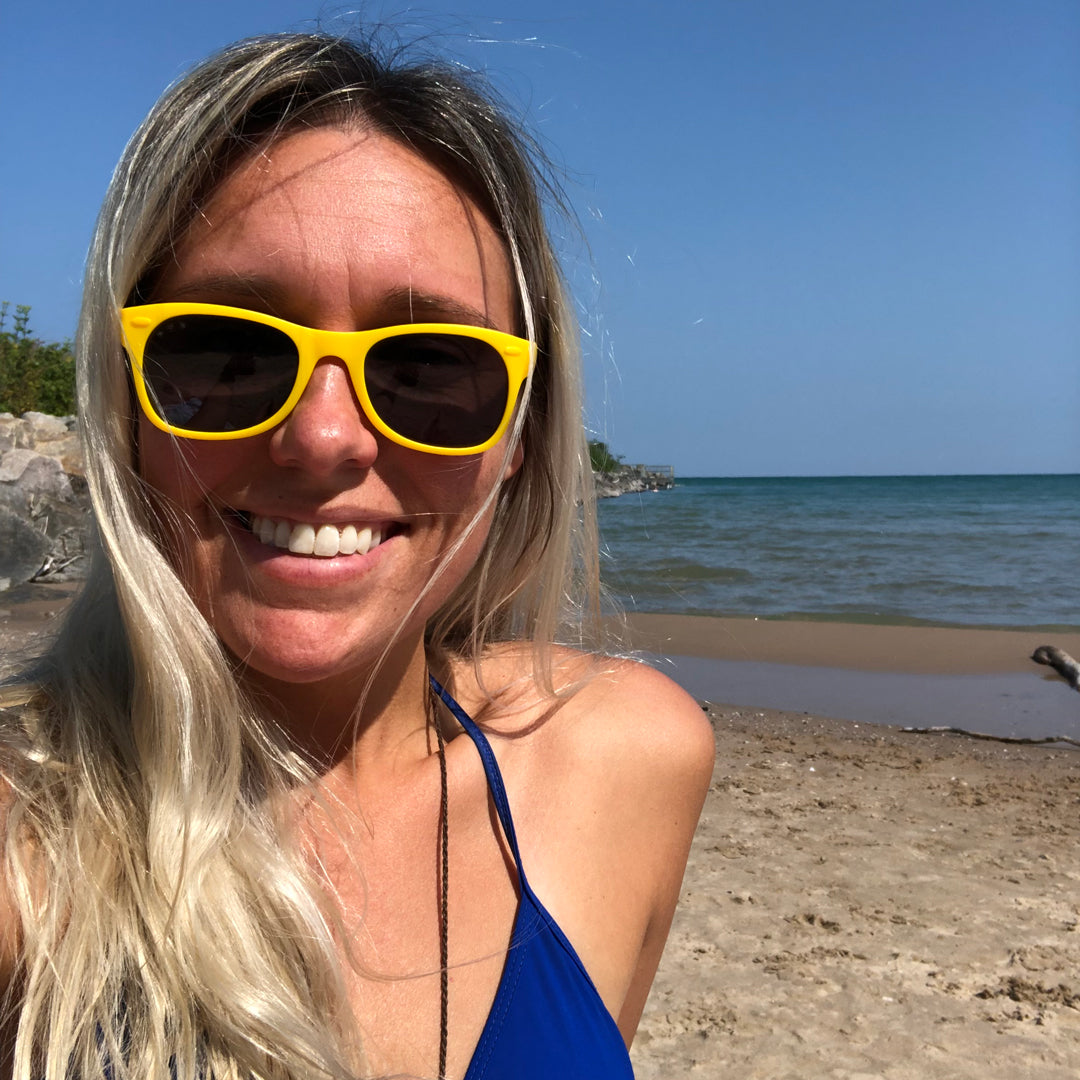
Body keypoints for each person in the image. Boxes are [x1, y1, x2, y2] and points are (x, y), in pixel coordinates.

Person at [0, 31, 713, 1080]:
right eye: (230, 353)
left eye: (432, 369)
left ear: (518, 437)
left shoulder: (624, 764)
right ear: (128, 403)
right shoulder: (26, 843)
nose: (325, 438)